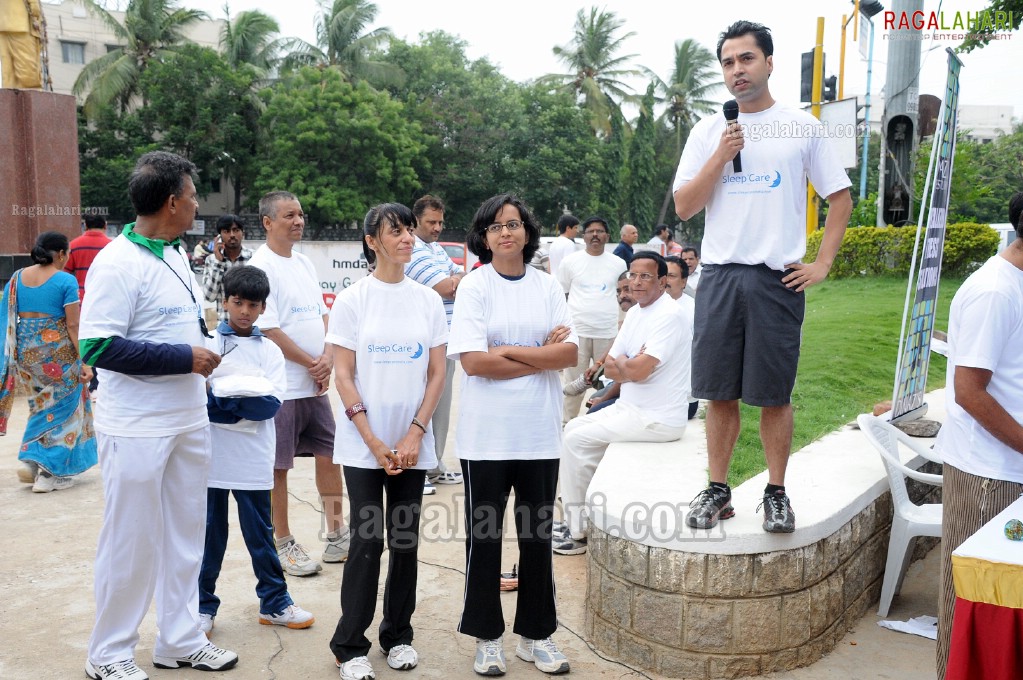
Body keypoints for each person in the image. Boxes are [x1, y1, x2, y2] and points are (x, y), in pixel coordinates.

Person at [673, 20, 852, 534]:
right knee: (718, 393)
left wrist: (822, 264)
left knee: (774, 394)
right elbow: (685, 205)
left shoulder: (802, 126)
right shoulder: (709, 131)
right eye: (728, 63)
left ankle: (776, 491)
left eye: (746, 59)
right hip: (722, 276)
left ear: (769, 63)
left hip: (777, 280)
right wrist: (720, 155)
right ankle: (718, 489)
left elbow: (839, 197)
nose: (737, 71)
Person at [80, 151, 238, 679]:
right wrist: (184, 357)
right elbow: (97, 348)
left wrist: (206, 348)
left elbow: (182, 325)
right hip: (137, 427)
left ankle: (180, 639)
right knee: (131, 539)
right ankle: (110, 654)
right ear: (172, 202)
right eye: (193, 196)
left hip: (188, 418)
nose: (197, 205)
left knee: (186, 536)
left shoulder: (173, 255)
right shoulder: (117, 261)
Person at [449, 193, 577, 676]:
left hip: (539, 435)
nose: (507, 232)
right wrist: (534, 353)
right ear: (484, 237)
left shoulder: (547, 286)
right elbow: (474, 363)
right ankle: (487, 637)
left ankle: (536, 635)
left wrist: (507, 352)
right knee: (485, 539)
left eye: (515, 224)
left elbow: (568, 356)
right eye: (496, 226)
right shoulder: (475, 287)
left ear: (527, 232)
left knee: (536, 539)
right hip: (486, 439)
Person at [327, 203, 447, 680]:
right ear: (372, 241)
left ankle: (397, 635)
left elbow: (437, 373)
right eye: (394, 231)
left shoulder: (427, 300)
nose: (406, 238)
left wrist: (415, 432)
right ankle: (349, 645)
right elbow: (343, 374)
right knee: (367, 540)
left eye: (408, 230)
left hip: (411, 443)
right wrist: (374, 440)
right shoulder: (354, 299)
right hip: (363, 445)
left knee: (405, 540)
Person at [198, 265, 314, 638]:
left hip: (252, 459)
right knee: (208, 535)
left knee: (261, 535)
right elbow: (200, 403)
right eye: (237, 302)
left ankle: (275, 602)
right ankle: (201, 606)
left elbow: (269, 406)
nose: (244, 311)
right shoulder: (209, 345)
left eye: (252, 304)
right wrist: (238, 401)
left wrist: (223, 400)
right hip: (212, 459)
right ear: (225, 302)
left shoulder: (270, 351)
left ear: (264, 308)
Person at [934, 192, 1023, 680]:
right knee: (974, 611)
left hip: (1009, 469)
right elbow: (970, 391)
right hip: (990, 475)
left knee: (1005, 617)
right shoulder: (995, 291)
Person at [554, 252, 691, 555]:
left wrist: (627, 364)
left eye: (646, 276)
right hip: (631, 408)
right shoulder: (637, 313)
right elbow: (612, 366)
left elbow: (638, 372)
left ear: (662, 281)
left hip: (658, 418)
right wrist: (628, 363)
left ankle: (579, 533)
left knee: (576, 439)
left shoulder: (669, 315)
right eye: (633, 275)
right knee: (572, 428)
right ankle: (584, 517)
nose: (637, 282)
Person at [249, 191, 349, 577]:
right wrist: (312, 362)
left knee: (330, 455)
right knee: (278, 469)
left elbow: (325, 317)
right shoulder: (261, 267)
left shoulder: (304, 263)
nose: (298, 221)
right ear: (267, 222)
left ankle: (338, 534)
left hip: (314, 385)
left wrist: (326, 358)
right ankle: (283, 542)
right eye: (289, 215)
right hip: (282, 387)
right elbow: (267, 327)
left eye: (301, 214)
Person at [0, 231, 96, 492]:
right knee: (65, 410)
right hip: (59, 355)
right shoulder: (65, 281)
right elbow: (73, 326)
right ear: (62, 254)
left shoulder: (16, 278)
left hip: (27, 355)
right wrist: (85, 362)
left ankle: (31, 461)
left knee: (41, 406)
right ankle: (49, 474)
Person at [405, 195, 464, 494]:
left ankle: (435, 464)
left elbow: (458, 278)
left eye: (441, 221)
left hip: (445, 338)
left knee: (441, 405)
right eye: (431, 222)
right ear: (415, 222)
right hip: (423, 343)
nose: (438, 227)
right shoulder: (412, 249)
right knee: (423, 403)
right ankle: (418, 469)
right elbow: (446, 286)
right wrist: (454, 280)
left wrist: (456, 279)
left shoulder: (436, 249)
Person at [557, 216, 626, 423]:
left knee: (606, 382)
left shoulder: (619, 263)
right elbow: (563, 294)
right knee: (574, 382)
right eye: (590, 231)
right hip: (577, 332)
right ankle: (565, 424)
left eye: (600, 231)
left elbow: (624, 296)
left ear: (607, 236)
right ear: (583, 236)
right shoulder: (570, 262)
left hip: (607, 333)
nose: (595, 235)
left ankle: (602, 423)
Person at [202, 214, 254, 324]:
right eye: (226, 231)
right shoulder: (211, 260)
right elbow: (209, 297)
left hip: (250, 326)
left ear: (242, 233)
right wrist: (218, 262)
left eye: (236, 230)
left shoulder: (253, 258)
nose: (232, 235)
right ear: (219, 236)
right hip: (224, 325)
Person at [65, 214, 112, 303]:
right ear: (105, 225)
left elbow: (65, 273)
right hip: (106, 298)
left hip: (81, 298)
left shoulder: (73, 245)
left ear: (85, 225)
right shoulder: (113, 246)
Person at [0, 0, 43, 89]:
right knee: (27, 72)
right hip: (20, 21)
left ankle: (10, 99)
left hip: (4, 23)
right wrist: (34, 7)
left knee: (9, 76)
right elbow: (35, 9)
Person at [547, 213, 580, 277]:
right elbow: (569, 267)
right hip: (563, 283)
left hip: (553, 281)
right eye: (575, 227)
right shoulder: (569, 244)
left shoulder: (553, 243)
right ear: (568, 228)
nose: (577, 231)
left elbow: (549, 268)